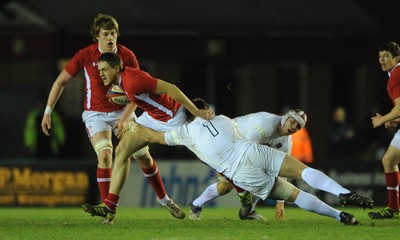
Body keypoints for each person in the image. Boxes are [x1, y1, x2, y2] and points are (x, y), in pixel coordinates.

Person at [86, 98, 374, 225]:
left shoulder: (183, 133)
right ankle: (341, 198)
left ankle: (339, 213)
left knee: (295, 194)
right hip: (250, 152)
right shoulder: (220, 117)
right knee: (304, 172)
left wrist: (135, 127)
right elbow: (236, 131)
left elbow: (157, 137)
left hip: (240, 169)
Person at [40, 14, 185, 219]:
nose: (110, 38)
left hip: (123, 112)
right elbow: (60, 82)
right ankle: (109, 211)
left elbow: (139, 91)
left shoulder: (127, 56)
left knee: (143, 157)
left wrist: (125, 117)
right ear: (96, 37)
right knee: (105, 155)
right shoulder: (85, 55)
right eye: (106, 34)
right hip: (96, 114)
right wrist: (48, 112)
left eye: (113, 34)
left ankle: (165, 200)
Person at [82, 52, 214, 224]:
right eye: (99, 70)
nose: (100, 74)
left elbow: (171, 88)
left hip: (172, 119)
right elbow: (137, 98)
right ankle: (110, 206)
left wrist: (195, 111)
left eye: (104, 70)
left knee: (206, 155)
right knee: (121, 151)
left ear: (116, 68)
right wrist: (125, 120)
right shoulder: (123, 81)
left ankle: (235, 176)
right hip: (153, 117)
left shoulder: (134, 81)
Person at [188, 109, 307, 222]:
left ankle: (197, 206)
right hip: (224, 142)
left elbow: (282, 170)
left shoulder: (286, 142)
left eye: (298, 127)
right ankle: (247, 209)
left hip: (238, 149)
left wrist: (280, 203)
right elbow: (244, 152)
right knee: (229, 184)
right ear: (285, 118)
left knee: (226, 186)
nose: (293, 127)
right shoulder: (264, 125)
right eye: (292, 122)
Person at [369, 41, 400, 219]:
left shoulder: (396, 75)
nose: (382, 60)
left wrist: (383, 119)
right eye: (380, 57)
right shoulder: (394, 74)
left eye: (386, 56)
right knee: (389, 160)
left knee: (389, 160)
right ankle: (393, 208)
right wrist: (394, 119)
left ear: (397, 58)